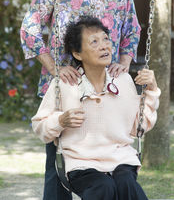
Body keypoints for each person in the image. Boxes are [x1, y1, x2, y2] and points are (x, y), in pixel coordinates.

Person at [20, 0, 141, 200]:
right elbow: (30, 28)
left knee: (111, 165)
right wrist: (53, 68)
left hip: (106, 87)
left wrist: (124, 62)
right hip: (67, 87)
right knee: (60, 165)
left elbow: (131, 27)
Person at [32, 16, 160, 200]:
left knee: (127, 184)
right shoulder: (65, 85)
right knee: (103, 187)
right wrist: (60, 121)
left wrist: (152, 90)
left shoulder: (123, 81)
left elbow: (138, 127)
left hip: (120, 160)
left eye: (105, 39)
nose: (104, 46)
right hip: (81, 164)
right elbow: (39, 127)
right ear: (78, 54)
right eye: (94, 41)